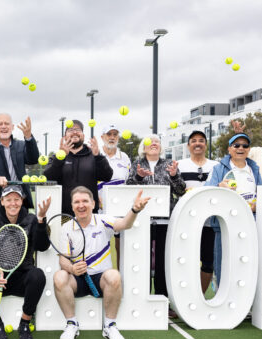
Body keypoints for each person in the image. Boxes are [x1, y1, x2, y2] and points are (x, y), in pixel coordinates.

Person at [53, 186, 150, 339]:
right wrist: (72, 269)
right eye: (77, 202)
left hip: (100, 280)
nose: (81, 205)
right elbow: (63, 260)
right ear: (72, 206)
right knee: (60, 276)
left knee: (114, 275)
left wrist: (134, 210)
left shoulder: (103, 220)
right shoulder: (66, 228)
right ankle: (72, 324)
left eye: (85, 201)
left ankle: (109, 326)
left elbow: (125, 224)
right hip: (77, 281)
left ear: (93, 203)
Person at [0, 186, 51, 339]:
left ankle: (24, 324)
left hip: (24, 277)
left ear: (22, 201)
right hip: (1, 280)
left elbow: (42, 246)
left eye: (17, 199)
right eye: (8, 199)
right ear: (2, 201)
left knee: (38, 275)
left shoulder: (31, 219)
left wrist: (41, 219)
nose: (13, 203)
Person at [126, 135, 185, 299]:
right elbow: (128, 188)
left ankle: (162, 297)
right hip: (141, 220)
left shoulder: (169, 164)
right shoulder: (136, 165)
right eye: (149, 142)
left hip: (165, 220)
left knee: (162, 260)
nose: (153, 144)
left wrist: (174, 176)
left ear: (161, 147)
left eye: (157, 142)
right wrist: (138, 176)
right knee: (141, 259)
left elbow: (180, 190)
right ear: (143, 147)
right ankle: (141, 296)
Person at [205, 133, 262, 287]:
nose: (241, 148)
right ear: (229, 149)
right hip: (224, 223)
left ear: (249, 149)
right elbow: (206, 191)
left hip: (249, 222)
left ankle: (244, 305)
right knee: (223, 263)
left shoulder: (254, 169)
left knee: (245, 263)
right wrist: (219, 186)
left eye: (245, 145)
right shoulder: (218, 168)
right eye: (236, 145)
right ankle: (222, 301)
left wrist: (257, 206)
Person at [178, 130, 219, 293]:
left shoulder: (216, 166)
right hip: (187, 221)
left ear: (206, 145)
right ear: (188, 146)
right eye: (193, 140)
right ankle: (185, 296)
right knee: (185, 260)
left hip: (210, 221)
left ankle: (200, 296)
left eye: (201, 140)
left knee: (208, 261)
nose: (197, 143)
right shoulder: (180, 165)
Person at [43, 120, 113, 215]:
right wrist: (61, 158)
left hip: (90, 213)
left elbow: (107, 176)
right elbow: (48, 178)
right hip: (63, 214)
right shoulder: (57, 157)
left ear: (83, 136)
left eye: (78, 130)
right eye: (71, 130)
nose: (75, 132)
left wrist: (98, 156)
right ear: (65, 137)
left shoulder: (94, 155)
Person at [0, 114, 39, 217]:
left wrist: (28, 137)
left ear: (12, 127)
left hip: (21, 202)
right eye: (0, 124)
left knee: (23, 232)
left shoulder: (22, 145)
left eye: (7, 123)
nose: (3, 126)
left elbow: (33, 159)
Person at [97, 124, 131, 267]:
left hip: (120, 212)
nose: (112, 137)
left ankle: (120, 279)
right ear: (102, 137)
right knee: (99, 247)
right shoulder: (96, 155)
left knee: (121, 247)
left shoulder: (124, 157)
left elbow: (128, 182)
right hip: (100, 210)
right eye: (109, 134)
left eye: (115, 135)